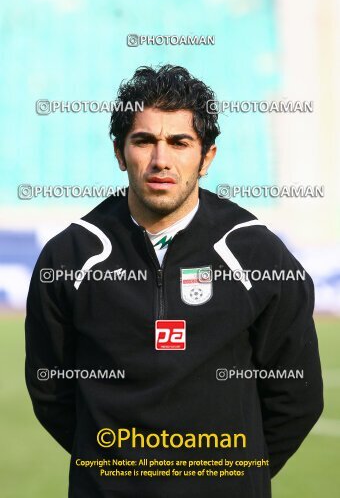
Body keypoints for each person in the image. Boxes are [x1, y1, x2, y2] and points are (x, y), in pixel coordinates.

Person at [25, 65, 323, 498]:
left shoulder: (257, 255)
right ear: (119, 152)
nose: (160, 159)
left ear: (207, 157)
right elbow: (52, 393)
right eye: (144, 140)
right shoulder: (71, 257)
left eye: (179, 142)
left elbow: (296, 397)